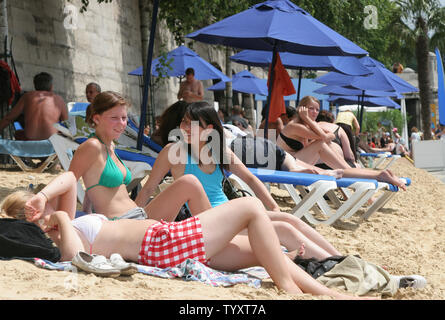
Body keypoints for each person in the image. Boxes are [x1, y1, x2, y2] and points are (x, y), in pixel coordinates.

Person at [1, 172, 425, 298]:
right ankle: (301, 293)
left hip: (169, 242)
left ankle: (360, 285)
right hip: (163, 243)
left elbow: (71, 177)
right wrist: (53, 222)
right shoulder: (61, 240)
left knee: (269, 245)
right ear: (31, 223)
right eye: (37, 212)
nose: (53, 211)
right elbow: (79, 261)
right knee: (251, 208)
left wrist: (42, 195)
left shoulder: (63, 220)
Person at [135, 101, 343, 259]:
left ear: (209, 129)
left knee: (290, 219)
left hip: (228, 213)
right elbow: (147, 189)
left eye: (192, 124)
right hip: (207, 223)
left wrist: (273, 207)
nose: (185, 127)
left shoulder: (219, 151)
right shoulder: (174, 151)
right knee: (284, 229)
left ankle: (340, 259)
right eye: (184, 122)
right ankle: (330, 263)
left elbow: (251, 179)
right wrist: (131, 221)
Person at [67, 92, 209, 220]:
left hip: (138, 214)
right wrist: (70, 223)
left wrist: (86, 208)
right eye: (115, 118)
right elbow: (67, 182)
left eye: (124, 118)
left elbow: (92, 178)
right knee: (189, 183)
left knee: (190, 185)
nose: (122, 124)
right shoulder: (92, 146)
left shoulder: (110, 146)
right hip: (123, 222)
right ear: (96, 119)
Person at [277, 96, 407, 190]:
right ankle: (378, 175)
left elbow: (331, 135)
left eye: (317, 109)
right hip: (286, 166)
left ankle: (379, 175)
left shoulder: (307, 125)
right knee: (323, 148)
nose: (315, 113)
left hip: (297, 162)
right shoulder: (294, 126)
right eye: (311, 109)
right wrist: (308, 119)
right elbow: (324, 137)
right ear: (302, 109)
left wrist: (310, 122)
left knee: (340, 171)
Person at [0, 72, 68, 140]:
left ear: (35, 86)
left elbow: (8, 118)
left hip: (30, 142)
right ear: (51, 87)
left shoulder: (27, 96)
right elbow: (67, 125)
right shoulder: (59, 100)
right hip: (50, 144)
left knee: (17, 130)